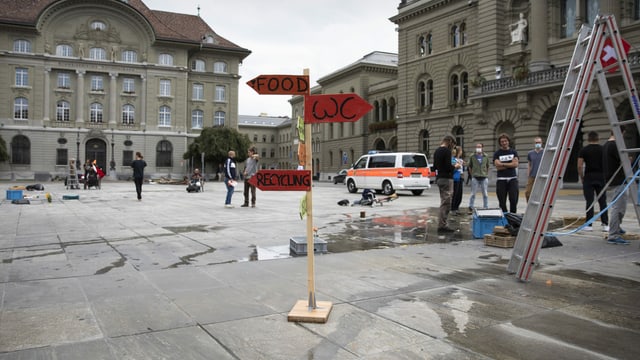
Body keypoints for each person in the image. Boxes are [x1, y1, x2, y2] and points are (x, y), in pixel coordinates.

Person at [602, 130, 630, 245]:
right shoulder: (615, 145)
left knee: (617, 205)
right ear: (621, 133)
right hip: (619, 179)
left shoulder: (606, 145)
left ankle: (616, 227)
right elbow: (624, 161)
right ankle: (613, 234)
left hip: (611, 179)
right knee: (619, 208)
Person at [578, 131, 609, 232]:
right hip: (601, 176)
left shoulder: (583, 150)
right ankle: (605, 224)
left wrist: (582, 177)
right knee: (603, 201)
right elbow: (607, 163)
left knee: (589, 201)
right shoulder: (603, 149)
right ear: (598, 138)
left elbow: (579, 165)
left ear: (588, 139)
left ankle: (589, 225)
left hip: (589, 177)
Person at [433, 135, 460, 232]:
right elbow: (449, 167)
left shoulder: (437, 151)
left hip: (439, 178)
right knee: (446, 202)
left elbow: (435, 166)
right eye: (453, 144)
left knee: (443, 201)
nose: (452, 147)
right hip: (447, 178)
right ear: (449, 141)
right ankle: (442, 225)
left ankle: (442, 223)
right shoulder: (447, 151)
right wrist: (456, 166)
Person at [493, 133, 519, 213]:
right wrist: (509, 164)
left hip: (512, 179)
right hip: (501, 180)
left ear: (508, 141)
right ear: (500, 143)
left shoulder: (513, 152)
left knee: (513, 200)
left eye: (505, 141)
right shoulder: (497, 153)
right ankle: (504, 217)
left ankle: (513, 217)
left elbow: (515, 164)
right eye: (502, 141)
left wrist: (503, 164)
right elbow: (497, 166)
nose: (504, 143)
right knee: (502, 202)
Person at [467, 143, 490, 211]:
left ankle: (485, 206)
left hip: (484, 177)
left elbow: (488, 166)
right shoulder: (472, 156)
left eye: (480, 147)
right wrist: (472, 174)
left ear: (482, 148)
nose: (478, 148)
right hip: (475, 177)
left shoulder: (486, 156)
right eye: (477, 147)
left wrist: (486, 173)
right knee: (473, 193)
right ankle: (471, 206)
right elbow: (469, 166)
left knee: (485, 193)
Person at [525, 136, 544, 202]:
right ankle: (529, 206)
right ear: (534, 143)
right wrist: (528, 174)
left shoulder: (545, 152)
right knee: (528, 193)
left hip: (542, 176)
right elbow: (529, 164)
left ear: (542, 143)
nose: (538, 144)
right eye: (536, 142)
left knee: (540, 193)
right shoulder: (530, 153)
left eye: (539, 142)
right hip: (532, 175)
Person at [451, 146, 465, 215]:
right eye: (461, 151)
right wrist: (457, 166)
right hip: (455, 178)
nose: (461, 152)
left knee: (460, 194)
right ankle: (453, 208)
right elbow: (453, 168)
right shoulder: (453, 159)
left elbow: (463, 169)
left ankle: (457, 207)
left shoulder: (461, 160)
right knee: (455, 194)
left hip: (461, 177)